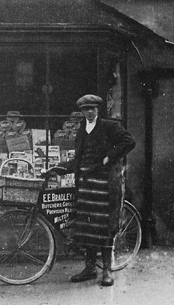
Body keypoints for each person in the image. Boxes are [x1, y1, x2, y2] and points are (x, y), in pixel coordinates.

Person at [56, 94, 135, 287]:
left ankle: (107, 270)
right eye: (85, 110)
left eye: (92, 109)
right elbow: (80, 158)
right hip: (86, 185)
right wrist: (61, 167)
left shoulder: (109, 126)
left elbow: (129, 141)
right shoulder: (82, 130)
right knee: (88, 227)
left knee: (104, 227)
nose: (89, 112)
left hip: (105, 184)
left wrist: (110, 156)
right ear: (82, 112)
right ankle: (90, 268)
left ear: (98, 109)